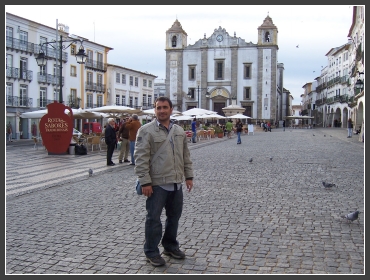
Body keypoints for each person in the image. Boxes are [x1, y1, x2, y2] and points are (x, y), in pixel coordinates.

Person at [134, 96, 194, 267]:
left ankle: (170, 246)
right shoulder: (146, 130)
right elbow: (140, 158)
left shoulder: (179, 131)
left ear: (171, 109)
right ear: (155, 110)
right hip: (157, 184)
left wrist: (189, 177)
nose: (161, 111)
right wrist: (145, 182)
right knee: (153, 219)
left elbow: (185, 156)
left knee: (174, 217)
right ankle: (151, 251)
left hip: (176, 183)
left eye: (164, 107)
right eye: (158, 108)